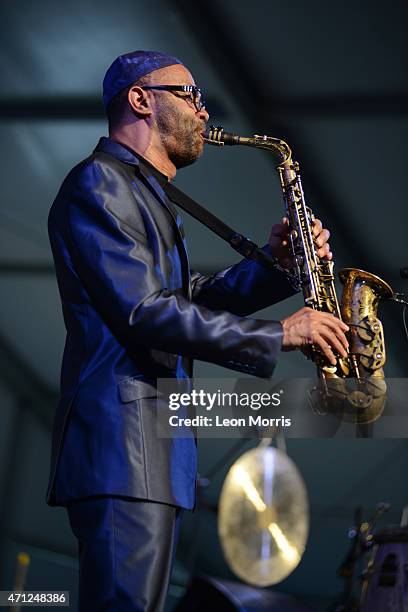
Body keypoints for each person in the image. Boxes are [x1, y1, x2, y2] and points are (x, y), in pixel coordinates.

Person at [47, 50, 349, 611]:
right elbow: (147, 313)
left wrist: (275, 263)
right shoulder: (101, 182)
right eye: (190, 95)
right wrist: (278, 334)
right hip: (123, 448)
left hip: (147, 454)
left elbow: (186, 302)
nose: (204, 113)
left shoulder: (144, 193)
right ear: (141, 99)